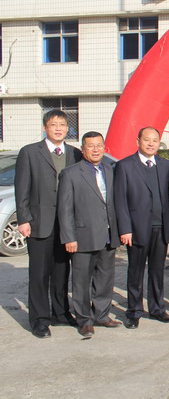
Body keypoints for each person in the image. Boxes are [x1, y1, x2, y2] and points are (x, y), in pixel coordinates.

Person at [15, 109, 83, 338]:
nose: (58, 128)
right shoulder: (29, 152)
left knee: (62, 271)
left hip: (66, 224)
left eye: (62, 124)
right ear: (45, 128)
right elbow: (22, 188)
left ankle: (61, 313)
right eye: (53, 124)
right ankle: (39, 320)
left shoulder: (75, 153)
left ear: (68, 128)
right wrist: (23, 219)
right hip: (39, 222)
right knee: (39, 274)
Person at [57, 132, 120, 338]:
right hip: (83, 236)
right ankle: (84, 320)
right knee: (81, 280)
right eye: (90, 146)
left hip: (108, 235)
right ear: (83, 149)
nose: (95, 149)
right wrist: (69, 237)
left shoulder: (111, 170)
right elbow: (65, 209)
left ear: (104, 148)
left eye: (99, 145)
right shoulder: (71, 173)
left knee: (105, 278)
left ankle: (101, 314)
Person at [114, 127, 169, 329]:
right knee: (135, 272)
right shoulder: (125, 166)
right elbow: (120, 200)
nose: (151, 143)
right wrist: (125, 228)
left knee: (157, 271)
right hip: (136, 229)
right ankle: (134, 311)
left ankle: (157, 308)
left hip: (161, 227)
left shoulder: (165, 165)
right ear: (137, 141)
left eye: (154, 140)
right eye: (147, 140)